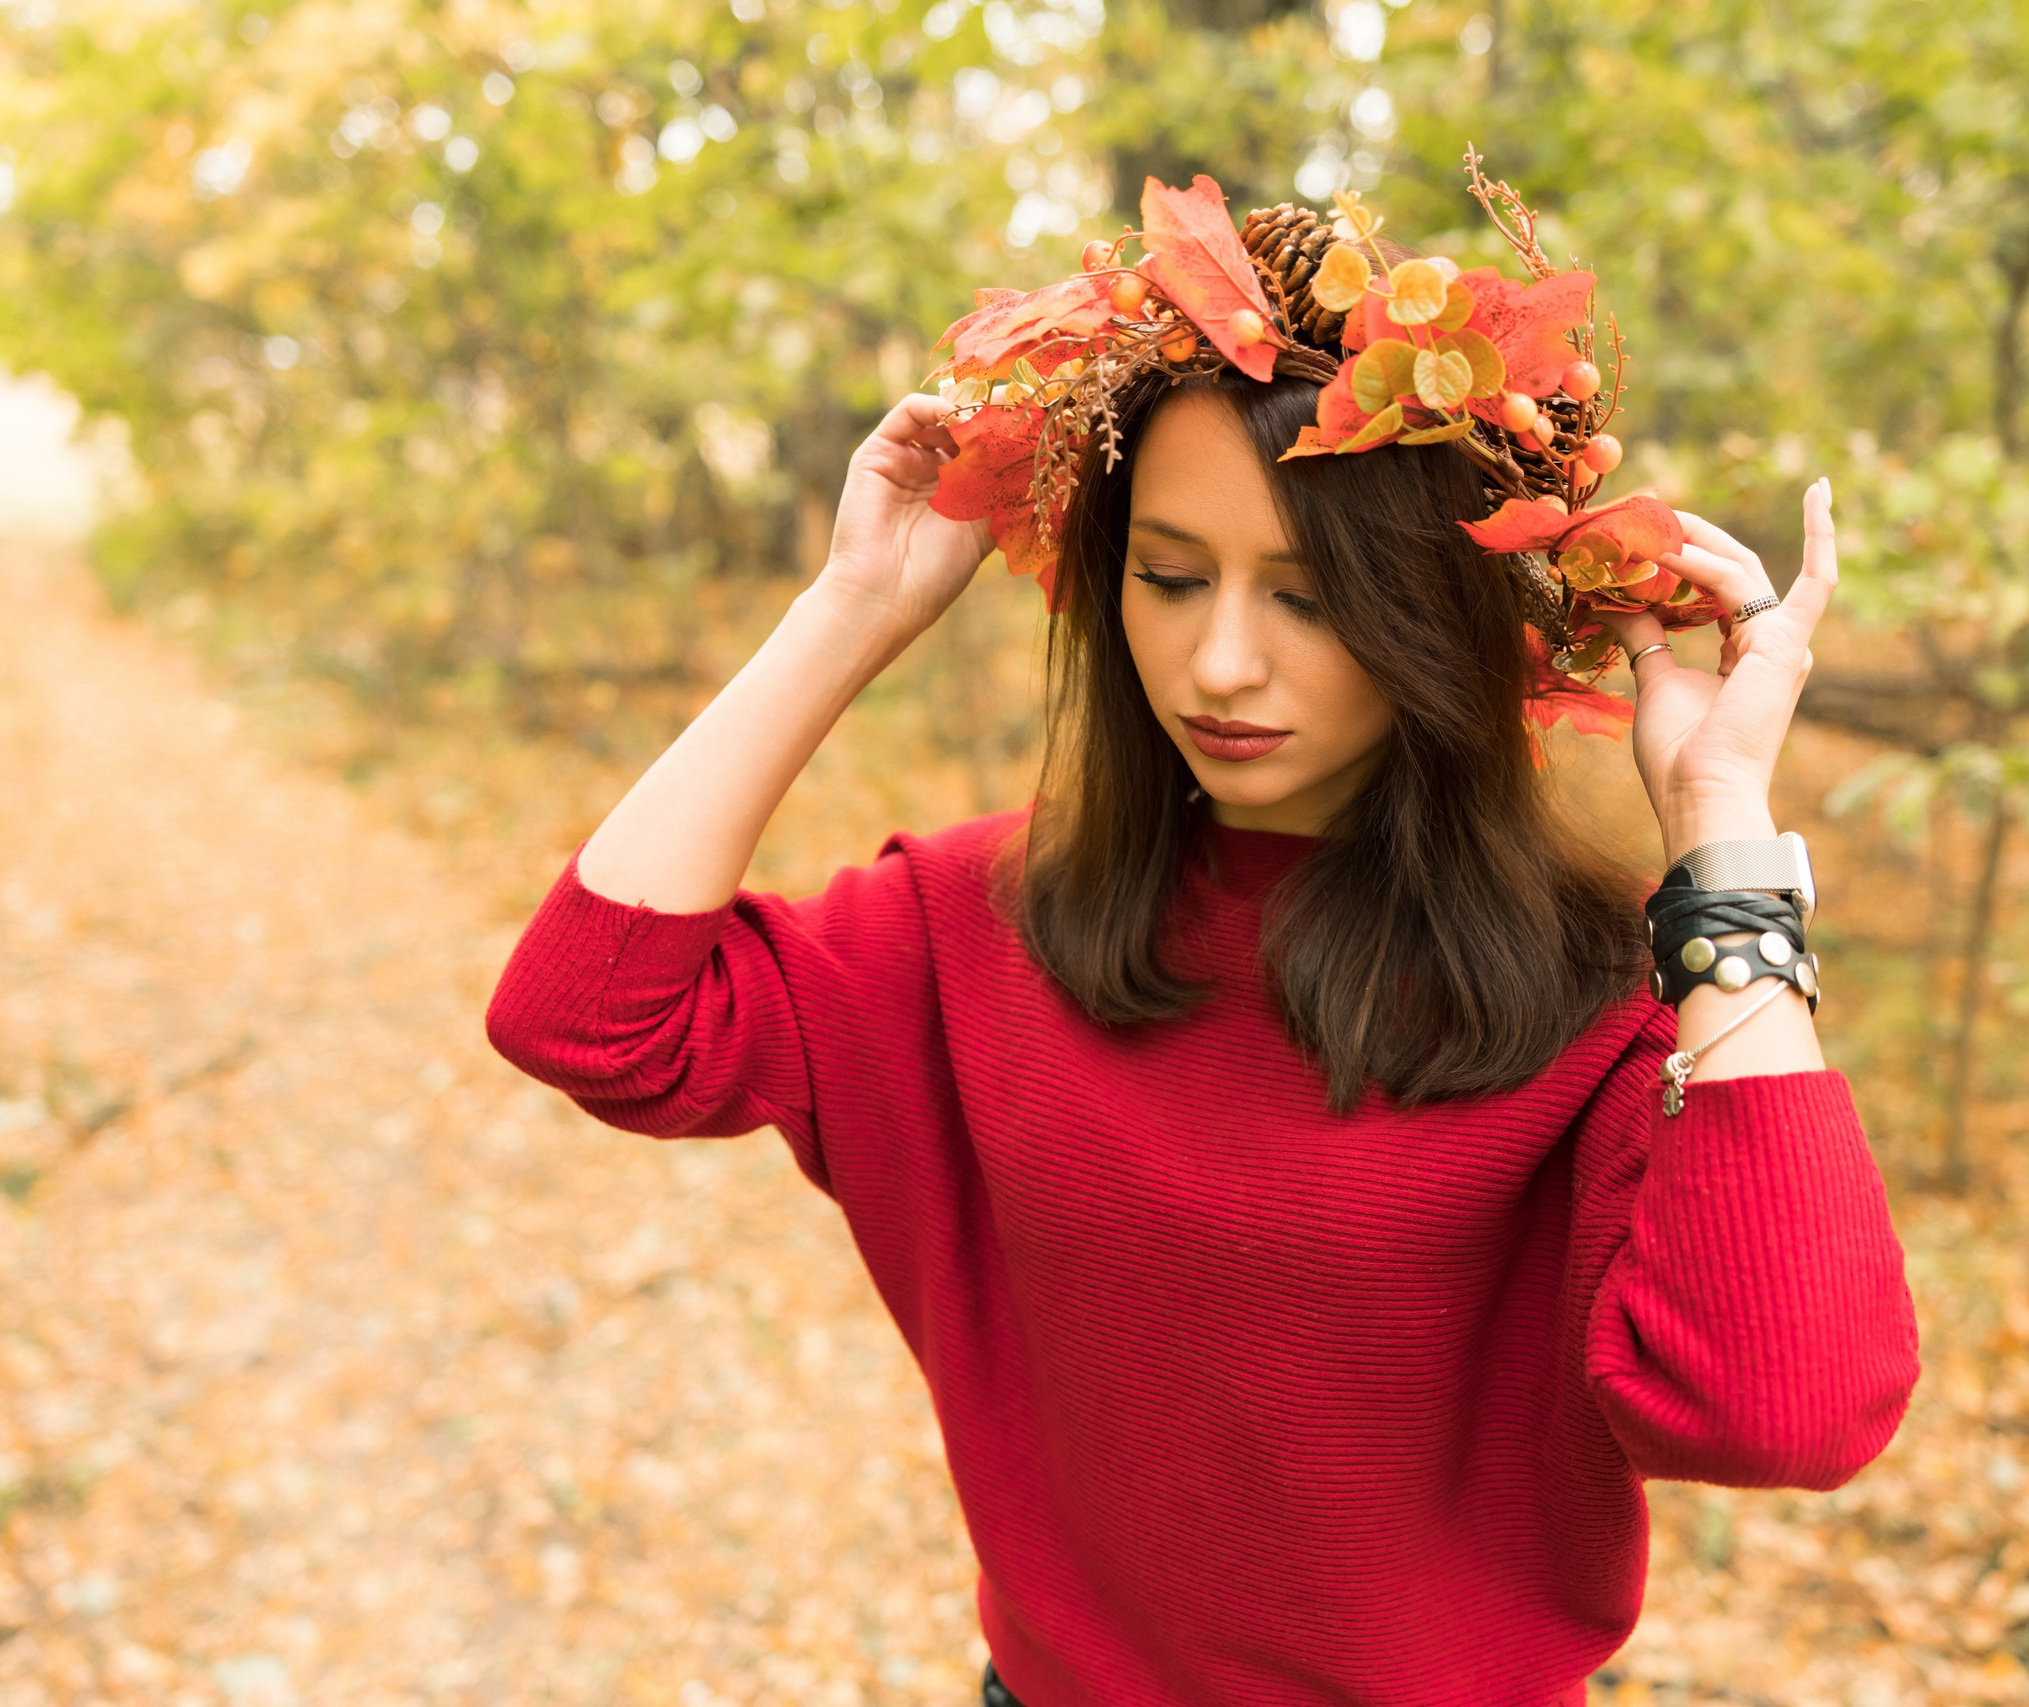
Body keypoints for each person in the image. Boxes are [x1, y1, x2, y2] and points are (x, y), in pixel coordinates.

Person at [487, 181, 1919, 1707]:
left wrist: (1724, 847)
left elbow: (1787, 1415)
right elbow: (589, 1017)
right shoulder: (971, 928)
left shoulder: (1604, 1006)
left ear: (1437, 619)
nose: (1220, 661)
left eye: (1309, 598)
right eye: (1170, 578)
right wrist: (850, 608)